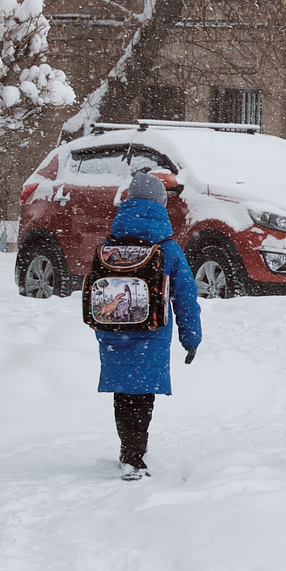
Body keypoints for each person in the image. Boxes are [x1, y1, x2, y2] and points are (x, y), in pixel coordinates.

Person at [90, 166, 201, 480]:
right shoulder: (167, 248)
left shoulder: (109, 244)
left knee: (123, 393)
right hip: (151, 333)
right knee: (142, 394)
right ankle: (135, 456)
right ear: (160, 205)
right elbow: (186, 297)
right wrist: (191, 338)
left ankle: (128, 449)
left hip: (112, 330)